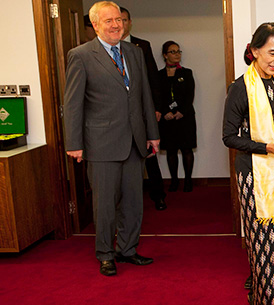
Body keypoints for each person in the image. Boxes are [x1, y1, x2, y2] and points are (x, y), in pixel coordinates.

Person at [63, 1, 158, 276]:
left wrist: (152, 134)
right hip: (101, 143)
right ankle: (105, 254)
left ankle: (127, 250)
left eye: (119, 19)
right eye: (109, 21)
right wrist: (74, 143)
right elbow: (73, 104)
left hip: (135, 142)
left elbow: (144, 96)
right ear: (95, 25)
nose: (116, 25)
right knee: (104, 205)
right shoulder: (80, 55)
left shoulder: (134, 53)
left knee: (133, 202)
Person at [222, 22, 274, 304]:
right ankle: (268, 298)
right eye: (272, 52)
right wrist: (267, 147)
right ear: (255, 50)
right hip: (254, 177)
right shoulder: (240, 87)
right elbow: (228, 137)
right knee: (266, 243)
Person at [120, 6, 167, 210]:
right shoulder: (100, 49)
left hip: (142, 112)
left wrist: (155, 108)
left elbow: (152, 79)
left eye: (123, 20)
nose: (119, 24)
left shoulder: (142, 46)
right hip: (117, 116)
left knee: (149, 154)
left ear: (130, 22)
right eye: (115, 20)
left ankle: (158, 195)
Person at [159, 41, 197, 193]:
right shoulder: (158, 75)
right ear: (165, 55)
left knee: (187, 149)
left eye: (178, 51)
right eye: (173, 52)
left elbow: (190, 95)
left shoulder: (187, 73)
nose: (177, 54)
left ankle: (188, 180)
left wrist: (181, 111)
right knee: (171, 150)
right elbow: (157, 96)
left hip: (185, 116)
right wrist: (164, 111)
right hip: (167, 118)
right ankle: (174, 180)